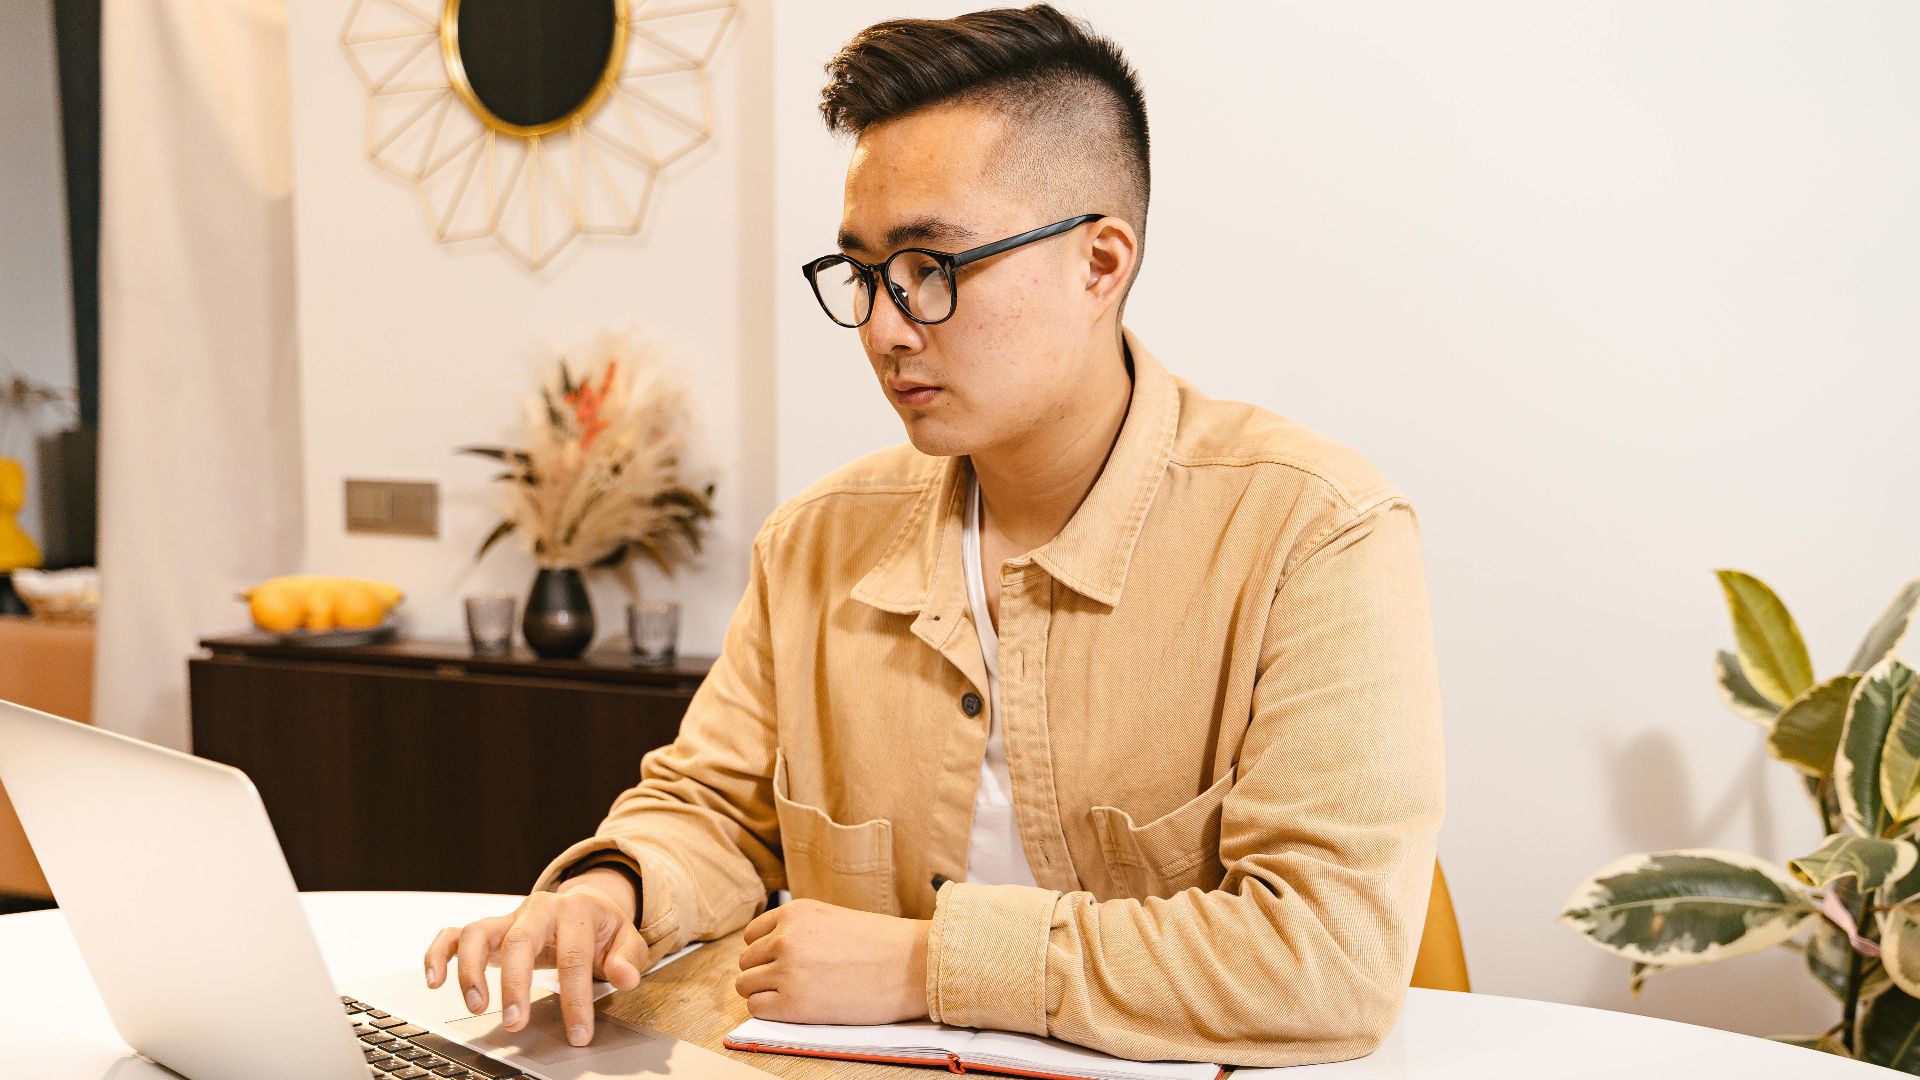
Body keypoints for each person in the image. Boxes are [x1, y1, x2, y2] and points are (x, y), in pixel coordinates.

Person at [422, 4, 1445, 1068]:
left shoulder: (1315, 532)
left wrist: (925, 965)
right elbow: (713, 808)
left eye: (932, 266)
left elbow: (1327, 959)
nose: (883, 326)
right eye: (864, 272)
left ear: (1100, 265)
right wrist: (610, 888)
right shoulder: (818, 539)